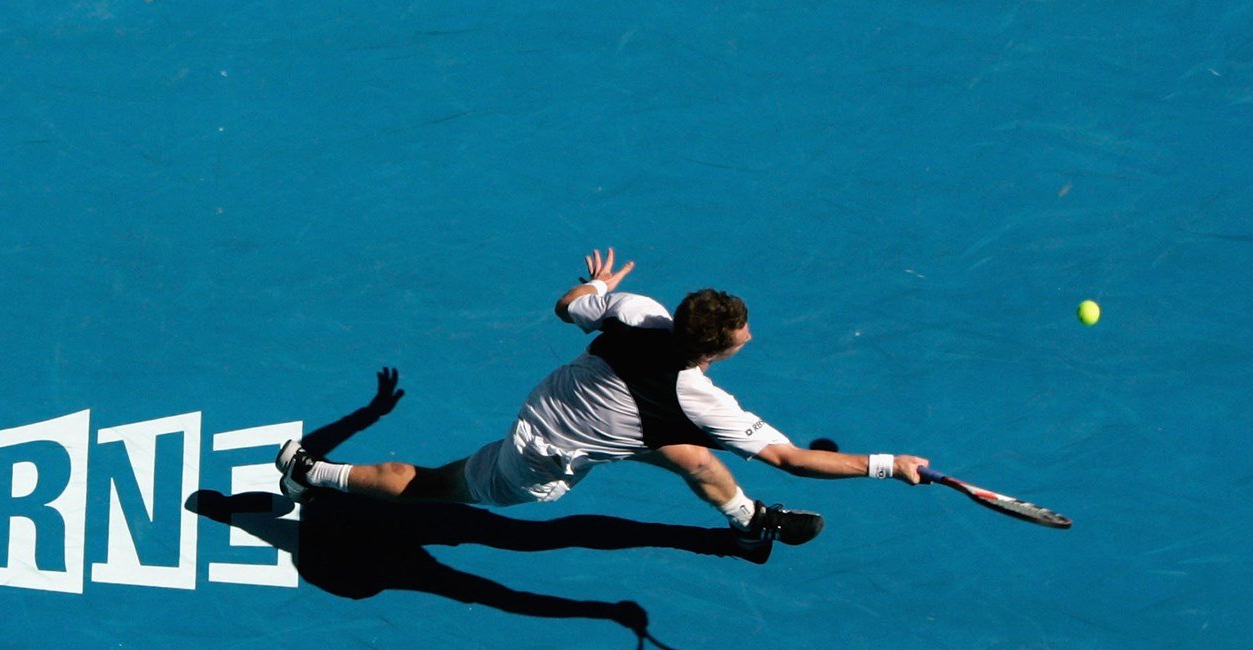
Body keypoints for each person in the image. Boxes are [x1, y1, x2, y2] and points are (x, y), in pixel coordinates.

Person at [276, 249, 930, 549]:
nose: (750, 334)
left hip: (583, 408)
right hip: (539, 462)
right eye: (740, 333)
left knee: (697, 461)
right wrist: (886, 463)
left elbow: (568, 307)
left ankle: (748, 518)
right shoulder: (701, 402)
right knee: (423, 483)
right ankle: (310, 473)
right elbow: (788, 458)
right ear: (713, 346)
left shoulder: (639, 312)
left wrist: (593, 286)